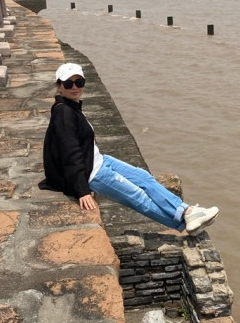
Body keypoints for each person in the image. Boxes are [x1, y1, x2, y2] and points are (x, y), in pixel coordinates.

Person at [39, 63, 219, 234]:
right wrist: (82, 190)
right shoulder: (64, 113)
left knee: (144, 177)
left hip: (98, 160)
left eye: (79, 82)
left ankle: (187, 212)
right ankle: (185, 225)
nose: (75, 87)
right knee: (138, 196)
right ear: (59, 86)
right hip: (93, 173)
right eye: (68, 83)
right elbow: (70, 153)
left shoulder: (71, 107)